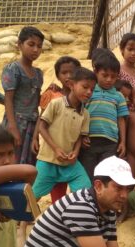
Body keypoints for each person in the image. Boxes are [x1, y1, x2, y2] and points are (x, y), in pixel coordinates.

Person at [33, 67, 96, 202]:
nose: (89, 92)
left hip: (69, 163)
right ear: (71, 85)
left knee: (85, 192)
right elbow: (41, 127)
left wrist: (76, 152)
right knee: (33, 196)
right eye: (85, 87)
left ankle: (81, 221)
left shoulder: (85, 114)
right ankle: (21, 223)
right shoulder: (56, 104)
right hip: (47, 160)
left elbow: (80, 136)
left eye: (92, 89)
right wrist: (56, 148)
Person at [35, 56, 82, 198]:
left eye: (72, 73)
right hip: (51, 148)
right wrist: (35, 138)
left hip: (71, 148)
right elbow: (42, 119)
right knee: (53, 179)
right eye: (64, 73)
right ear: (57, 76)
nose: (68, 76)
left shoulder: (82, 97)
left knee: (69, 178)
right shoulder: (52, 95)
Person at [79, 51, 130, 179]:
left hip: (110, 143)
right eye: (105, 75)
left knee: (105, 176)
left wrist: (123, 142)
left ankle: (102, 199)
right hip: (89, 141)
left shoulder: (118, 96)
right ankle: (90, 198)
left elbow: (121, 120)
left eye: (113, 77)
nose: (109, 79)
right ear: (95, 72)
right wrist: (82, 135)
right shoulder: (88, 92)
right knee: (88, 176)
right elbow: (80, 114)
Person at [2, 26, 45, 165]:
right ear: (20, 45)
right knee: (13, 160)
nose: (35, 50)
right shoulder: (13, 69)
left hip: (32, 125)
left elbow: (36, 99)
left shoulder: (38, 73)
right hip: (16, 122)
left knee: (29, 161)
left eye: (39, 46)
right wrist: (12, 127)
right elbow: (8, 100)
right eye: (31, 44)